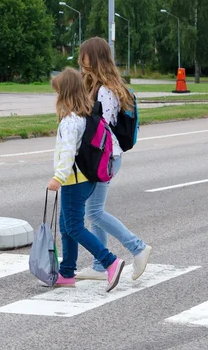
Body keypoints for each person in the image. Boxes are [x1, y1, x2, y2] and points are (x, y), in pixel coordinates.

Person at [76, 37, 152, 281]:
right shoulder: (100, 86)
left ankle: (138, 248)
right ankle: (99, 265)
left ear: (94, 58)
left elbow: (102, 128)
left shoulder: (105, 91)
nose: (80, 60)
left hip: (105, 157)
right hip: (105, 156)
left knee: (95, 212)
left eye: (84, 56)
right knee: (94, 210)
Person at [48, 68, 125, 292]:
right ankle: (67, 272)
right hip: (85, 179)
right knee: (66, 226)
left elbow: (68, 153)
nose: (56, 97)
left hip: (74, 180)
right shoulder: (85, 115)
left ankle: (110, 261)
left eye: (58, 92)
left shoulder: (71, 121)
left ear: (65, 94)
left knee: (74, 226)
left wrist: (57, 178)